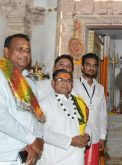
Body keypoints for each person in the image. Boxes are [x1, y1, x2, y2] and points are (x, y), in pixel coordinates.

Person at [0, 33, 44, 165]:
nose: (25, 54)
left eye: (28, 50)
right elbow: (1, 117)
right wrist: (31, 139)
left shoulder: (29, 81)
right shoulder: (1, 76)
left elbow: (37, 116)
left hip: (27, 155)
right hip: (5, 156)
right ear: (6, 52)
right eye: (20, 49)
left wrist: (38, 141)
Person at [37, 69, 90, 165]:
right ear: (53, 83)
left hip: (77, 157)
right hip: (54, 157)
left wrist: (87, 136)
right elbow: (40, 132)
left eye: (68, 80)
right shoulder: (44, 104)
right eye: (61, 80)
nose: (65, 83)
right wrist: (69, 141)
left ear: (72, 84)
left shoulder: (79, 102)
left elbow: (86, 123)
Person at [72, 53, 107, 165]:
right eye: (88, 65)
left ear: (96, 68)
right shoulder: (73, 85)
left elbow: (103, 114)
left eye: (94, 65)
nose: (91, 68)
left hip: (95, 135)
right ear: (82, 67)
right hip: (78, 136)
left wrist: (103, 137)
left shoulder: (100, 89)